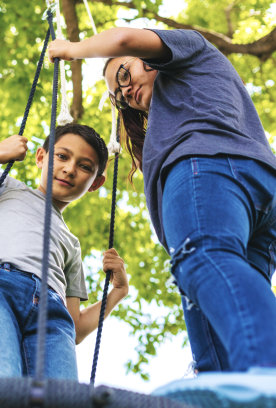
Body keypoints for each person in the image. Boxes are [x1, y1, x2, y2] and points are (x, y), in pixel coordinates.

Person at [48, 27, 276, 374]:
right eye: (119, 96)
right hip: (259, 194)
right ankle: (226, 386)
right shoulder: (181, 106)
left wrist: (70, 48)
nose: (125, 90)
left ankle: (266, 370)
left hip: (213, 172)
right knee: (216, 307)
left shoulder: (190, 52)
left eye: (124, 73)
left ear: (148, 58)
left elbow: (124, 40)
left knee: (203, 257)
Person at [0, 123, 129, 380]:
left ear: (95, 183)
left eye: (85, 166)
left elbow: (74, 328)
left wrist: (118, 292)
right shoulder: (6, 187)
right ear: (41, 157)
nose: (70, 169)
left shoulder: (72, 245)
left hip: (52, 313)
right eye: (62, 156)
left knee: (62, 398)